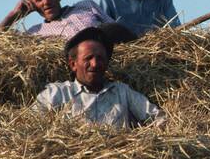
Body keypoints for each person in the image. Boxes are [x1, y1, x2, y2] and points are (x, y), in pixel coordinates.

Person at [32, 27, 166, 129]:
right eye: (88, 58)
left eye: (100, 58)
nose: (95, 64)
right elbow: (31, 125)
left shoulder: (122, 93)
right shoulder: (55, 94)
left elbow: (158, 118)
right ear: (73, 64)